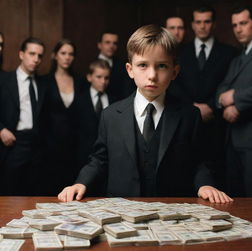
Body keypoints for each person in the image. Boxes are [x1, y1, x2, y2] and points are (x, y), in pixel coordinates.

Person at [58, 24, 232, 203]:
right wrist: (81, 183)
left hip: (171, 212)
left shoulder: (190, 115)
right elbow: (99, 159)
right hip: (122, 211)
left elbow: (198, 161)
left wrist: (205, 184)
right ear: (130, 70)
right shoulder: (110, 115)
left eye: (162, 66)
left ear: (175, 71)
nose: (152, 75)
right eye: (142, 65)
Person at [169, 6, 237, 189]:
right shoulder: (180, 53)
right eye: (198, 22)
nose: (202, 26)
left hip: (217, 124)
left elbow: (230, 83)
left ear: (214, 24)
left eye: (207, 21)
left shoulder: (229, 52)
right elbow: (173, 85)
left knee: (221, 180)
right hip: (187, 122)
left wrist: (211, 106)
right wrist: (193, 107)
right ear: (192, 25)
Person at [216, 6, 252, 197]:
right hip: (232, 139)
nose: (238, 29)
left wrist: (236, 100)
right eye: (235, 25)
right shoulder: (238, 58)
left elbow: (231, 92)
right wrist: (224, 101)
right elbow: (222, 88)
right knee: (237, 198)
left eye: (243, 23)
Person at [39, 39, 86, 196]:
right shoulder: (44, 81)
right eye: (63, 53)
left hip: (74, 148)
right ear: (55, 56)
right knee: (50, 191)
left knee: (72, 194)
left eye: (71, 54)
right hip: (50, 148)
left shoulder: (80, 82)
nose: (67, 57)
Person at [0, 37, 45, 195]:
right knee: (10, 192)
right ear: (21, 54)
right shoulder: (4, 80)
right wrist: (1, 130)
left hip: (36, 145)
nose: (36, 59)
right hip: (12, 144)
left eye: (40, 56)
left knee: (33, 194)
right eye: (32, 54)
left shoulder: (44, 83)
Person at [76, 59, 117, 195]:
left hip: (108, 159)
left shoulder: (115, 100)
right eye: (99, 77)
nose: (103, 81)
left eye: (106, 78)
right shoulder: (78, 100)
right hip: (83, 158)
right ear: (89, 77)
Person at [97, 31, 134, 99]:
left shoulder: (124, 66)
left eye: (115, 43)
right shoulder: (90, 64)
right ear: (99, 45)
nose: (111, 46)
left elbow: (127, 90)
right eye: (107, 42)